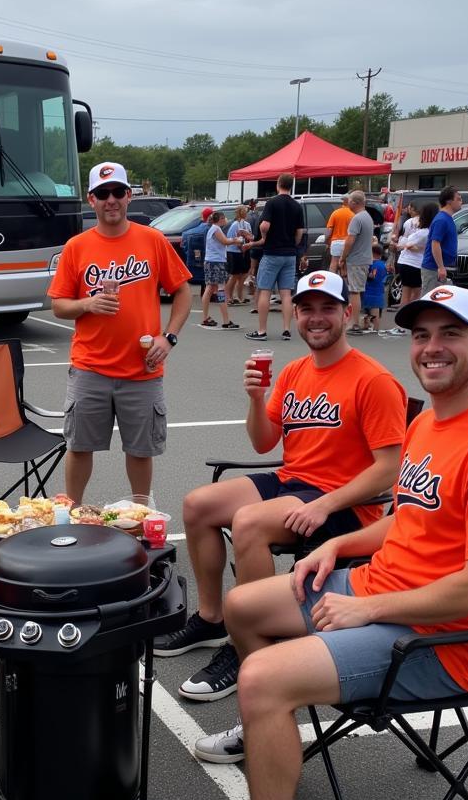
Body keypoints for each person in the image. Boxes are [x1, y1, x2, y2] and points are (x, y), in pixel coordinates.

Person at [182, 286, 468, 800]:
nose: (432, 348)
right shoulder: (432, 421)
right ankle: (269, 728)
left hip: (445, 642)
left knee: (262, 676)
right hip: (384, 591)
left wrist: (367, 610)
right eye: (422, 335)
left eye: (451, 334)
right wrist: (341, 545)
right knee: (243, 608)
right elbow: (409, 518)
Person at [165, 270, 406, 702]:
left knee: (250, 523)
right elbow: (263, 442)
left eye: (327, 308)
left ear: (346, 313)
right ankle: (211, 617)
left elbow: (390, 467)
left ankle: (253, 644)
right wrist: (256, 400)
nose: (317, 318)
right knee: (198, 504)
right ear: (294, 314)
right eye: (307, 309)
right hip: (293, 480)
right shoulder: (295, 371)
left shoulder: (373, 380)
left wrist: (325, 505)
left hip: (346, 502)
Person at [49, 162, 192, 504]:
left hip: (142, 368)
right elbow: (58, 306)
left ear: (129, 196)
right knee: (80, 446)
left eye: (117, 192)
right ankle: (73, 511)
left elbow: (183, 292)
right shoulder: (77, 246)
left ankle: (141, 513)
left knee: (140, 450)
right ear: (91, 200)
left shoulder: (153, 240)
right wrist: (88, 305)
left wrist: (168, 337)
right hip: (90, 367)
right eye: (102, 194)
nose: (110, 200)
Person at [245, 174, 307, 342]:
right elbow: (300, 231)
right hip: (289, 254)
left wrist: (264, 236)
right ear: (291, 186)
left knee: (265, 290)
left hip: (272, 252)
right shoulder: (296, 205)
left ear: (278, 184)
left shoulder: (272, 203)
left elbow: (264, 224)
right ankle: (286, 330)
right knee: (286, 293)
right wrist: (293, 244)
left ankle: (262, 331)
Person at [386, 201, 431, 336]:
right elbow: (406, 243)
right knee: (414, 294)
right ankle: (406, 323)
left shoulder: (415, 225)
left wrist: (404, 245)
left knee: (408, 294)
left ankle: (404, 324)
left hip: (408, 261)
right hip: (415, 263)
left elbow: (403, 241)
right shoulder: (428, 230)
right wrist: (411, 246)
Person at [338, 190, 374, 334]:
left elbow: (350, 241)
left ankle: (354, 323)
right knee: (357, 290)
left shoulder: (357, 218)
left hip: (357, 259)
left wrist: (343, 257)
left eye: (349, 201)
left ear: (354, 202)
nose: (348, 203)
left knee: (354, 291)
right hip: (364, 258)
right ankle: (355, 321)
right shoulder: (367, 217)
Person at [420, 185, 463, 293]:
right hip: (433, 269)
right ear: (449, 201)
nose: (461, 201)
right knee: (429, 300)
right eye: (458, 199)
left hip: (441, 268)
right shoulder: (442, 220)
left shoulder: (448, 219)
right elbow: (435, 243)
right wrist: (441, 267)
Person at [201, 211, 240, 328]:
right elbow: (225, 241)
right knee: (220, 288)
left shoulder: (213, 229)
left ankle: (205, 317)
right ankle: (226, 321)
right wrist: (236, 240)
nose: (226, 220)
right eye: (224, 218)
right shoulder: (216, 229)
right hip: (216, 261)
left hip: (210, 261)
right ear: (221, 219)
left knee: (210, 288)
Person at [181, 207, 213, 295]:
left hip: (192, 262)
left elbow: (184, 247)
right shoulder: (211, 230)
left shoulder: (188, 232)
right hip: (208, 261)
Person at [225, 205, 253, 306]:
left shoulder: (247, 224)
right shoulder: (235, 225)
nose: (247, 213)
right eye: (245, 211)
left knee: (244, 274)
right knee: (235, 275)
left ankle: (240, 296)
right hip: (234, 252)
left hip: (245, 251)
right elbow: (230, 239)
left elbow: (250, 236)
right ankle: (228, 297)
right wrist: (240, 245)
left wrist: (247, 244)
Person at [361, 244, 387, 333]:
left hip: (372, 290)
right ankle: (369, 325)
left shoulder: (375, 265)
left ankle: (374, 327)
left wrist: (365, 274)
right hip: (378, 290)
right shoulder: (382, 264)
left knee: (373, 309)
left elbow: (372, 276)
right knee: (372, 309)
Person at [324, 195, 353, 272]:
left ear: (343, 202)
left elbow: (329, 230)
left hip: (335, 242)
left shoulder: (335, 213)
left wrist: (327, 241)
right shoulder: (353, 214)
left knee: (334, 263)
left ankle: (332, 281)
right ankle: (345, 282)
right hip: (348, 243)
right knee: (346, 264)